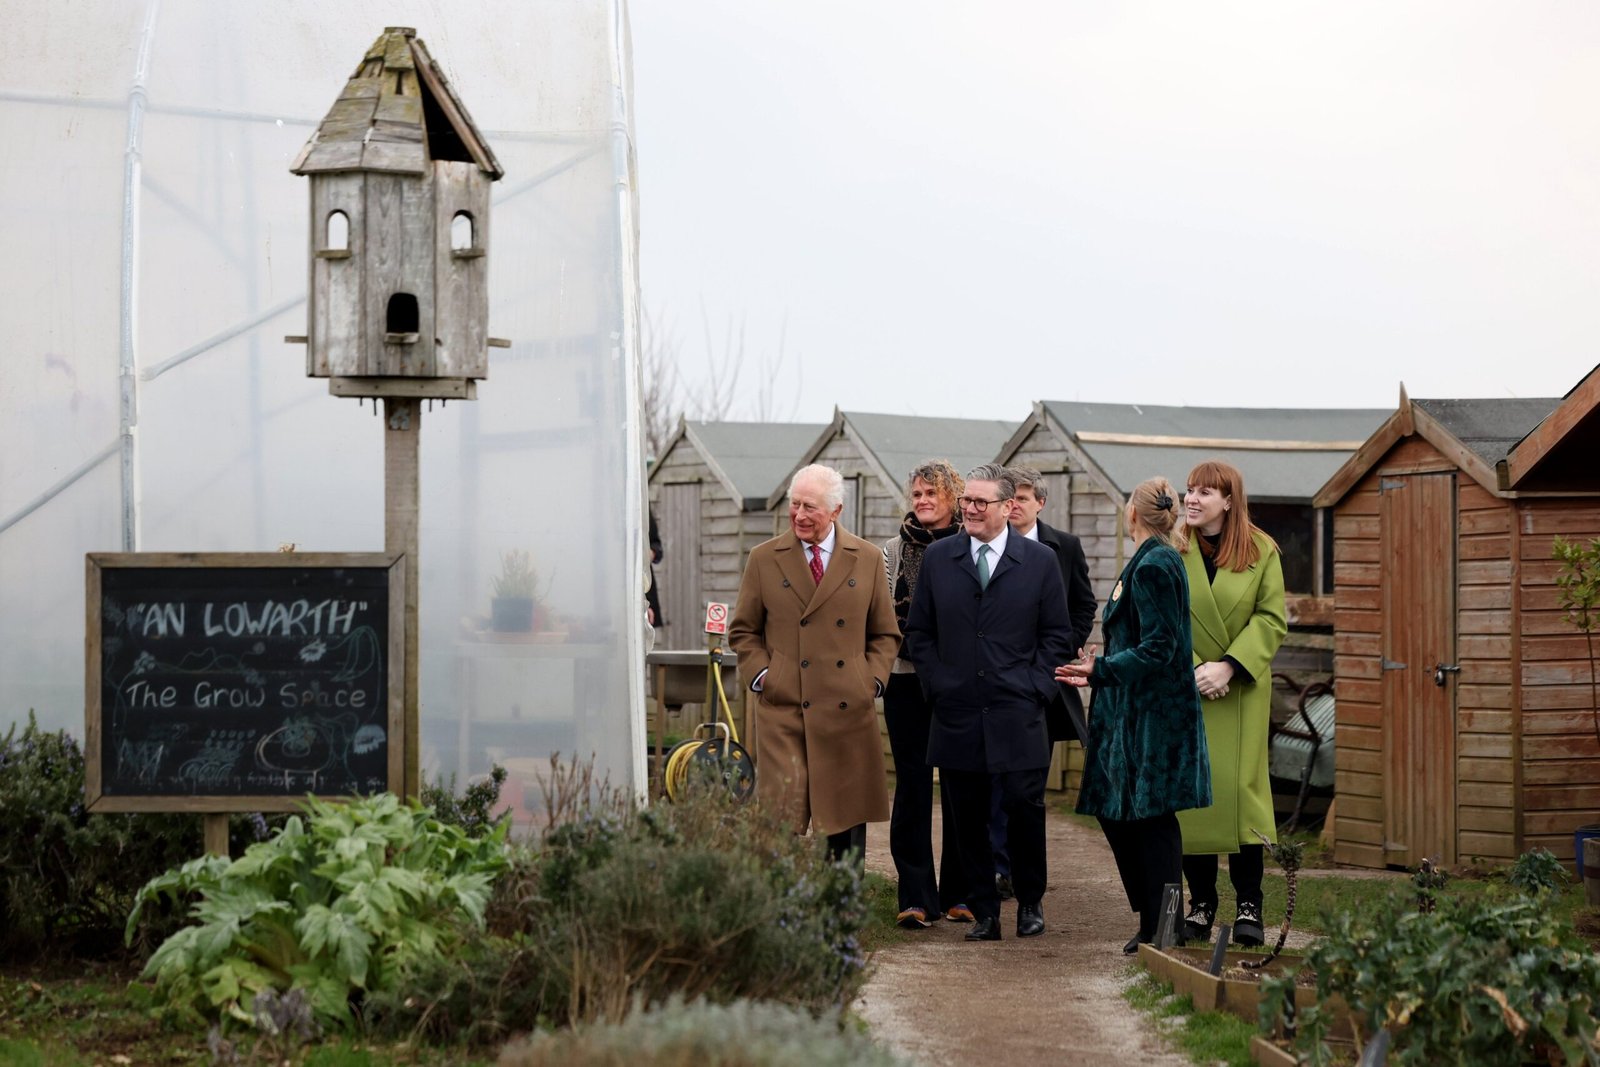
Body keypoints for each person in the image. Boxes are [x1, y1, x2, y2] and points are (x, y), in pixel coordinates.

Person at [904, 464, 1075, 941]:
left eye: (982, 502)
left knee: (1024, 808)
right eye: (968, 502)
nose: (972, 509)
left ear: (1007, 507)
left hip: (1018, 711)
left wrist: (1037, 686)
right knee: (967, 816)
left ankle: (1030, 902)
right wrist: (939, 684)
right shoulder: (940, 558)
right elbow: (919, 632)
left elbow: (1056, 634)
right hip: (957, 711)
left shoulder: (1038, 561)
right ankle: (984, 911)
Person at [1057, 476, 1211, 955]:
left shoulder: (1156, 565)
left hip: (1155, 716)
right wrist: (1106, 658)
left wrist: (1100, 669)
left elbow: (1162, 647)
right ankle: (1153, 919)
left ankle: (1162, 926)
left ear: (1132, 516)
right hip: (1131, 712)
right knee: (1124, 815)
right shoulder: (1151, 560)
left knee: (1152, 820)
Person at [729, 463, 900, 863]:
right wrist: (764, 677)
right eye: (795, 505)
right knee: (781, 818)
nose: (800, 515)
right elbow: (743, 631)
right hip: (784, 709)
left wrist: (869, 681)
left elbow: (885, 634)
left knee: (845, 819)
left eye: (811, 507)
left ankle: (842, 916)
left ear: (836, 511)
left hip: (847, 709)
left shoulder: (868, 558)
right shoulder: (764, 558)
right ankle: (783, 915)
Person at [1175, 460, 1288, 947]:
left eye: (1204, 492)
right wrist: (1197, 666)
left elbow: (1271, 618)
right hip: (1187, 688)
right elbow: (1160, 617)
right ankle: (1200, 902)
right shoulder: (1172, 551)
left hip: (1239, 690)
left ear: (1228, 501)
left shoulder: (1263, 551)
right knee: (1193, 799)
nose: (1192, 500)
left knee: (1243, 798)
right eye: (1188, 491)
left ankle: (1249, 905)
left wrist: (1228, 666)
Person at [989, 465, 1097, 901]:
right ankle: (997, 869)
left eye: (1022, 498)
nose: (1013, 505)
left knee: (1027, 785)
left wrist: (1054, 655)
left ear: (1041, 503)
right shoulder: (983, 545)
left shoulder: (1063, 547)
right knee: (993, 781)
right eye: (1008, 497)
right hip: (992, 685)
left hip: (1041, 687)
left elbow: (1082, 605)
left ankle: (1023, 871)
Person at [881, 460, 971, 929]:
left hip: (956, 681)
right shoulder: (891, 551)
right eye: (916, 494)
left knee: (958, 784)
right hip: (904, 678)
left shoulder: (970, 548)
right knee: (913, 787)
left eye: (931, 493)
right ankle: (915, 896)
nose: (922, 501)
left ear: (952, 496)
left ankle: (959, 893)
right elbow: (881, 615)